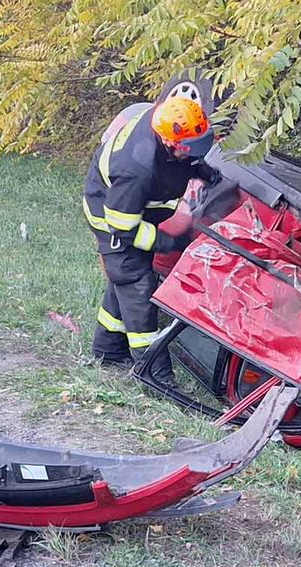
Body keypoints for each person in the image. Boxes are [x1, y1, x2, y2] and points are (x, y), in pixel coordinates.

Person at [82, 94, 216, 377]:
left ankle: (107, 351)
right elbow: (123, 227)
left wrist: (203, 171)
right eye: (190, 149)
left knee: (123, 283)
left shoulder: (167, 121)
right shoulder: (135, 170)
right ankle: (154, 373)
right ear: (169, 142)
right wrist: (166, 242)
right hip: (113, 220)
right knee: (136, 283)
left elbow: (184, 157)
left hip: (131, 209)